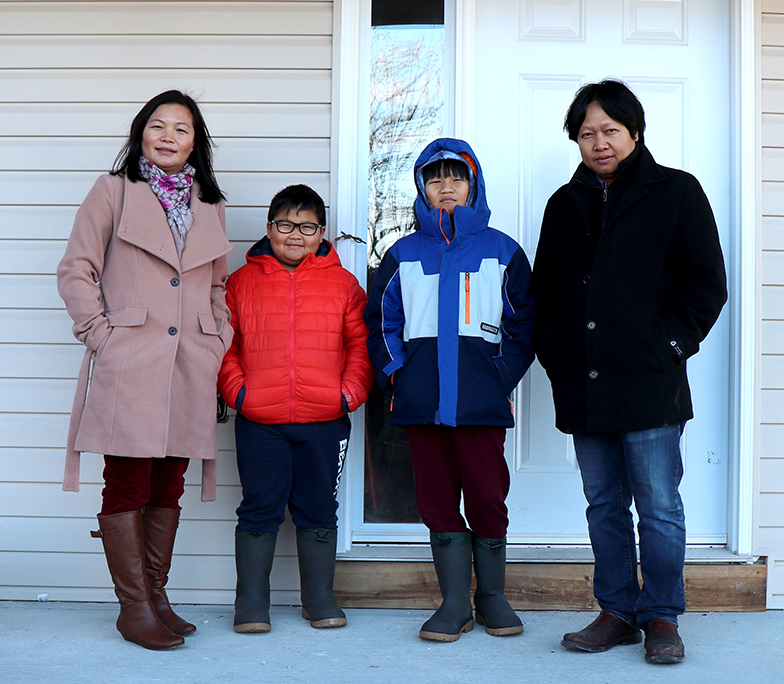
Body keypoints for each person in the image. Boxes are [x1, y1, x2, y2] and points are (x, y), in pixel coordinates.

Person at [531, 80, 727, 665]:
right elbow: (546, 295)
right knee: (604, 505)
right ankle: (616, 610)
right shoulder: (563, 205)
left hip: (650, 383)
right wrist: (558, 357)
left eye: (609, 130)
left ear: (633, 132)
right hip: (585, 386)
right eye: (587, 133)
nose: (599, 143)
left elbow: (706, 286)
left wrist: (667, 344)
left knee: (660, 505)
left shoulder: (677, 193)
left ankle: (662, 615)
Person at [57, 90, 233, 650]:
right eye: (156, 125)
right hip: (129, 359)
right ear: (140, 134)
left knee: (169, 482)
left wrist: (217, 339)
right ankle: (133, 607)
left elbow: (219, 285)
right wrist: (101, 336)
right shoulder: (112, 191)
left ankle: (156, 596)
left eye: (180, 129)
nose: (167, 136)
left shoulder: (210, 204)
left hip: (189, 364)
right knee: (128, 481)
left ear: (194, 143)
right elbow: (76, 269)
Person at [365, 138, 534, 642]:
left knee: (487, 496)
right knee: (436, 500)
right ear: (421, 187)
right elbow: (380, 322)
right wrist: (397, 372)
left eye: (455, 178)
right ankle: (454, 602)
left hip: (481, 402)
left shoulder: (502, 251)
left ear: (473, 185)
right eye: (434, 179)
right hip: (421, 402)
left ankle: (493, 597)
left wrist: (499, 376)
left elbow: (523, 324)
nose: (445, 187)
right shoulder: (402, 253)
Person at [217, 184, 373, 634]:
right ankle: (250, 603)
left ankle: (318, 598)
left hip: (324, 419)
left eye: (307, 226)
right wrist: (238, 393)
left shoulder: (343, 284)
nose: (295, 235)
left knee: (319, 507)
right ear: (269, 229)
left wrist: (348, 393)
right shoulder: (241, 283)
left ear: (321, 232)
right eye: (285, 225)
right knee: (259, 508)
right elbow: (225, 346)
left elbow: (359, 345)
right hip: (259, 420)